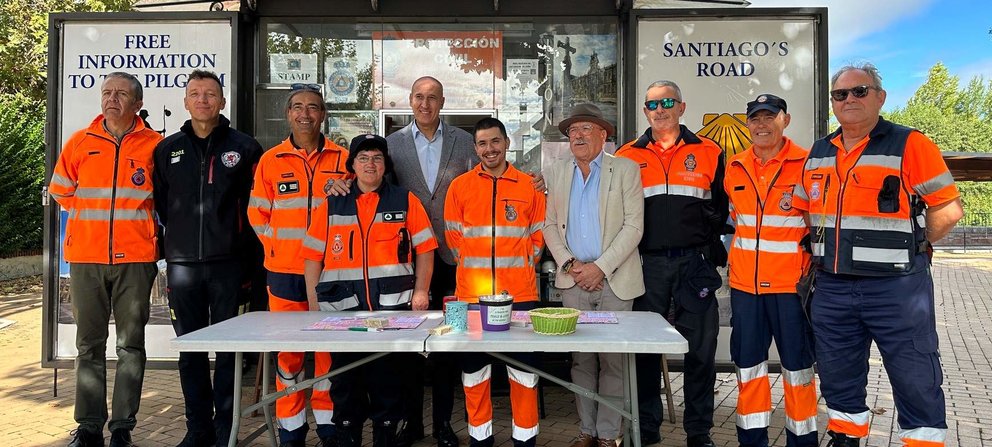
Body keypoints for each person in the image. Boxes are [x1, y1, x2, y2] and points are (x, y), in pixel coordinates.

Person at [792, 63, 964, 447]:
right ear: (833, 103)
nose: (849, 99)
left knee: (915, 375)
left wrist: (916, 246)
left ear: (880, 97)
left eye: (860, 91)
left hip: (896, 290)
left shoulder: (910, 144)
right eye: (841, 94)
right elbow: (805, 209)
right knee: (838, 375)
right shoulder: (820, 151)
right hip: (832, 287)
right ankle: (846, 437)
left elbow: (949, 209)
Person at [301, 134, 437, 447]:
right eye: (363, 158)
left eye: (377, 157)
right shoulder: (334, 203)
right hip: (342, 313)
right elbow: (312, 257)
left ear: (386, 164)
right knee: (345, 382)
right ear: (352, 165)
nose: (370, 164)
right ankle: (347, 435)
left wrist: (421, 292)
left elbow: (426, 250)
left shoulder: (404, 200)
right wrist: (313, 304)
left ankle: (387, 435)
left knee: (387, 381)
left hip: (391, 314)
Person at [49, 72, 163, 447]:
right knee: (89, 345)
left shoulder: (155, 145)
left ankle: (122, 428)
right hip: (86, 258)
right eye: (107, 93)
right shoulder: (81, 142)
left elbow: (163, 200)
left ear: (138, 104)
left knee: (131, 345)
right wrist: (92, 225)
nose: (111, 99)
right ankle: (88, 427)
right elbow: (62, 191)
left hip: (136, 258)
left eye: (121, 94)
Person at [152, 70, 263, 447]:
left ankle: (224, 430)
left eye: (210, 94)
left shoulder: (245, 147)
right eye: (195, 94)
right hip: (183, 268)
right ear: (186, 102)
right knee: (191, 351)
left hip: (230, 266)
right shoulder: (167, 150)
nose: (203, 100)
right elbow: (163, 205)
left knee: (230, 352)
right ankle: (196, 428)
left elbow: (256, 207)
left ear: (222, 101)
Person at [616, 80, 729, 447]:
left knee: (700, 351)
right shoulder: (626, 155)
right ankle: (646, 430)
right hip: (646, 266)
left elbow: (720, 209)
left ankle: (699, 432)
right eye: (652, 104)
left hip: (693, 265)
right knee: (645, 352)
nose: (659, 109)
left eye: (667, 102)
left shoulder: (710, 151)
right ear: (645, 111)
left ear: (682, 107)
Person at [247, 85, 351, 447]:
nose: (305, 114)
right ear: (288, 114)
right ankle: (291, 427)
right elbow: (257, 213)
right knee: (289, 352)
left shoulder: (344, 160)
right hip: (285, 272)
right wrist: (277, 246)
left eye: (313, 107)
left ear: (323, 114)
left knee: (328, 351)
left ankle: (328, 423)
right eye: (297, 107)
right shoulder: (271, 160)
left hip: (332, 274)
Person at [543, 103, 644, 447]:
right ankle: (586, 431)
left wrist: (600, 267)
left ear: (604, 135)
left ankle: (608, 435)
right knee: (582, 361)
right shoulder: (557, 171)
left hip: (615, 279)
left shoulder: (626, 169)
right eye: (573, 131)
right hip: (573, 280)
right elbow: (549, 225)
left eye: (587, 129)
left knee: (613, 361)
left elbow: (634, 226)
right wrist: (571, 265)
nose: (579, 136)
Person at [384, 76, 477, 447]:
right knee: (409, 343)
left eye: (432, 98)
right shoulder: (392, 145)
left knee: (448, 344)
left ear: (443, 102)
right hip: (408, 264)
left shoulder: (466, 142)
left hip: (455, 263)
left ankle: (442, 424)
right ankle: (412, 423)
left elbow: (485, 181)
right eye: (419, 97)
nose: (425, 104)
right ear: (410, 100)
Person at [444, 117, 546, 447]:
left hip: (521, 295)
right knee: (474, 375)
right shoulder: (459, 187)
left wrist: (514, 272)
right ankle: (480, 439)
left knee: (524, 374)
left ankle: (525, 440)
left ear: (506, 143)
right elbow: (454, 240)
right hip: (471, 298)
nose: (490, 149)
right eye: (483, 144)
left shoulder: (530, 186)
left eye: (496, 141)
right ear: (475, 149)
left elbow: (537, 240)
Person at [724, 94, 817, 447]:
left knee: (798, 371)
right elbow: (734, 222)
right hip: (746, 289)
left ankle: (803, 441)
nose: (761, 125)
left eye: (769, 117)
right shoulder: (735, 167)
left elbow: (816, 226)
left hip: (791, 287)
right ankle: (752, 440)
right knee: (748, 369)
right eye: (755, 119)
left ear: (785, 120)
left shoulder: (807, 163)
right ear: (747, 124)